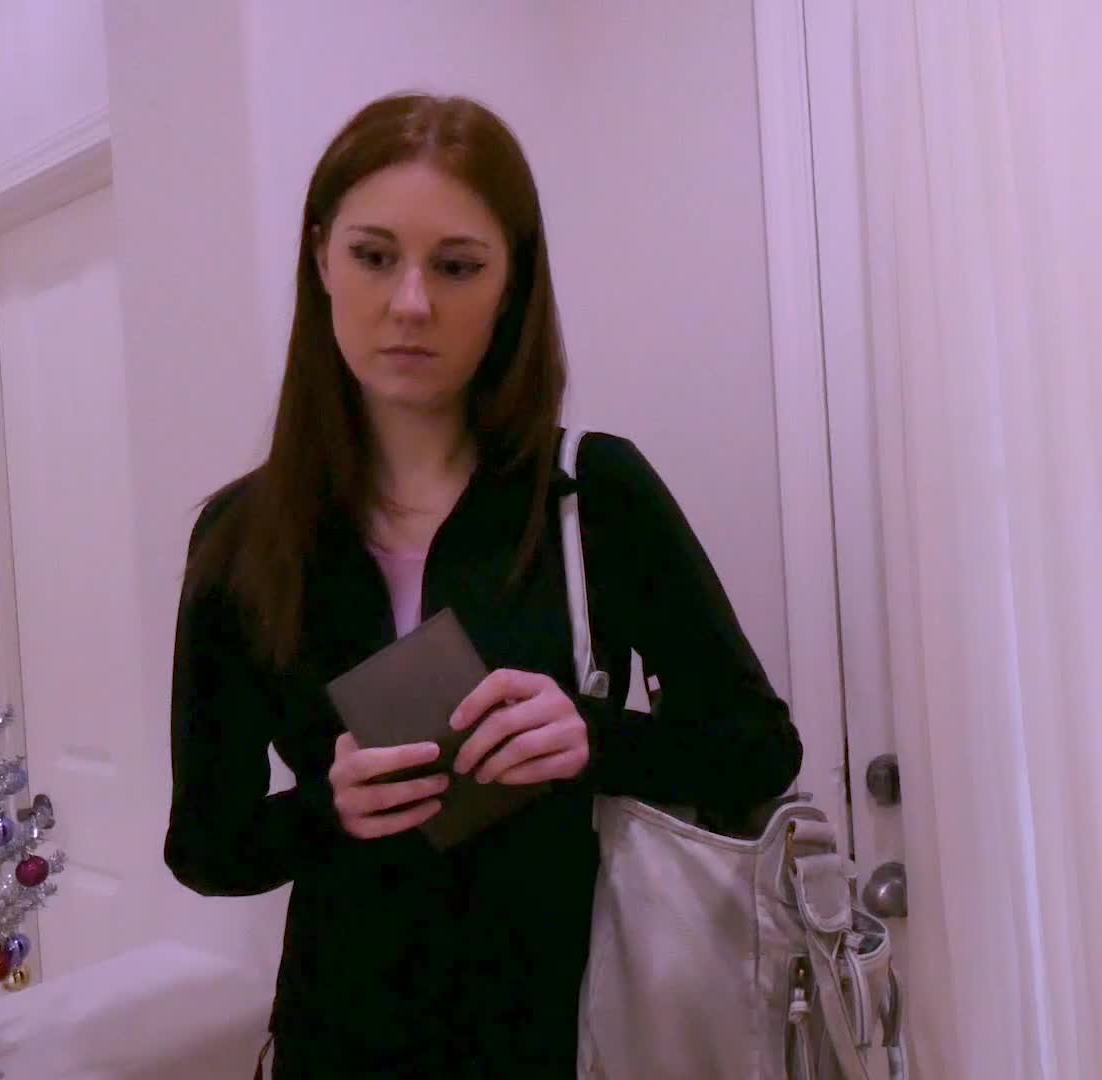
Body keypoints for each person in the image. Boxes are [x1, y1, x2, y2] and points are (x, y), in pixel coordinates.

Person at [163, 92, 802, 1078]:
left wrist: (592, 738)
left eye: (458, 266)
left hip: (567, 1041)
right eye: (375, 256)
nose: (411, 302)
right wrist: (328, 808)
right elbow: (205, 847)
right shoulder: (242, 533)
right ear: (322, 258)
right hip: (336, 1043)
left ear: (511, 284)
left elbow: (759, 750)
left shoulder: (596, 492)